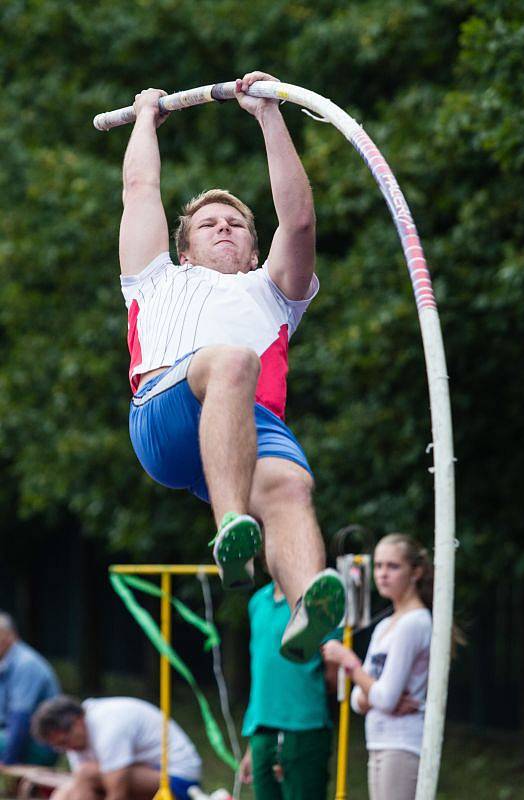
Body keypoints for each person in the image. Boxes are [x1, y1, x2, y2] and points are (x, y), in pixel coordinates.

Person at [119, 69, 344, 662]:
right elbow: (141, 187)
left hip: (248, 428)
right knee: (233, 361)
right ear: (184, 248)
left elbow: (297, 221)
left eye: (237, 224)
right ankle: (231, 531)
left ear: (252, 249)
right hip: (165, 411)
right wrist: (146, 117)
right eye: (208, 224)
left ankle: (303, 610)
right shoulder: (154, 279)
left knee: (292, 486)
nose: (224, 228)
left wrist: (269, 115)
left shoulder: (272, 292)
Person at [322, 533, 434, 800]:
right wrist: (375, 692)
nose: (383, 574)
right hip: (380, 740)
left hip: (403, 743)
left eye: (393, 567)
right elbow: (358, 701)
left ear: (415, 572)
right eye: (379, 566)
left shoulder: (415, 623)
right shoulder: (385, 626)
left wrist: (350, 664)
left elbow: (382, 697)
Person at [238, 580, 339, 799]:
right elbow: (263, 678)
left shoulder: (319, 599)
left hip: (306, 730)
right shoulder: (257, 601)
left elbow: (334, 677)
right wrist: (252, 747)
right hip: (262, 735)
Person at [31, 695, 201, 800]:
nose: (66, 749)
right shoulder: (77, 736)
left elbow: (118, 794)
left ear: (77, 722)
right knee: (66, 792)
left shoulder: (108, 724)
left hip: (179, 780)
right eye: (59, 747)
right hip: (144, 772)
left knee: (86, 774)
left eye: (64, 742)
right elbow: (79, 786)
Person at [0, 611, 60, 766]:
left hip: (41, 744)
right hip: (16, 736)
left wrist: (7, 762)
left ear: (9, 635)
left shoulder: (25, 664)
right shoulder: (6, 662)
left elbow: (21, 718)